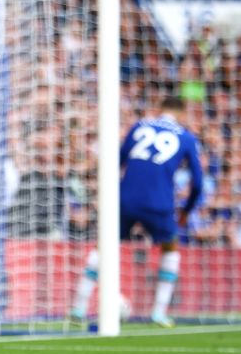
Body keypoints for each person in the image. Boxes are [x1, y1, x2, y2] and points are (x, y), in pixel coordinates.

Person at [70, 96, 204, 327]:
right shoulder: (186, 137)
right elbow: (198, 183)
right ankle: (158, 313)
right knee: (170, 248)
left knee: (103, 246)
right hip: (159, 202)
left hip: (125, 198)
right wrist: (186, 211)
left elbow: (117, 161)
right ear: (181, 114)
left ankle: (78, 308)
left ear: (159, 109)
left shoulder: (140, 126)